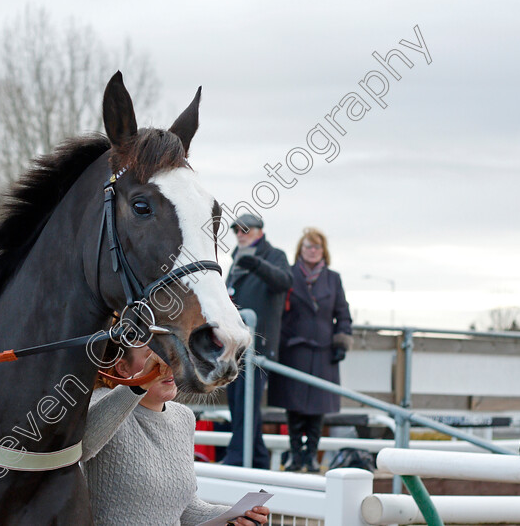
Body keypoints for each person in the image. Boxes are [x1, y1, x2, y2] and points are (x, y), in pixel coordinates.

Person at [81, 342, 271, 526]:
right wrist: (139, 383)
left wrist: (235, 516)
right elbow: (84, 446)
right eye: (152, 356)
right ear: (122, 368)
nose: (166, 363)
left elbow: (184, 508)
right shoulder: (101, 401)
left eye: (170, 353)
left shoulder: (183, 417)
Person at [268, 228, 353, 472]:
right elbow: (278, 312)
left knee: (318, 409)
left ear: (323, 250)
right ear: (300, 250)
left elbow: (343, 314)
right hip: (294, 350)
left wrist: (341, 342)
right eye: (308, 247)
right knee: (294, 407)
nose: (312, 251)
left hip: (324, 353)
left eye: (316, 247)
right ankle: (296, 456)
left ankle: (311, 457)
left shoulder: (333, 279)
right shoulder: (289, 275)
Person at [223, 214, 292, 469]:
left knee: (246, 403)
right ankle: (258, 458)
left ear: (259, 231)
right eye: (236, 230)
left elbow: (284, 281)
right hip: (235, 345)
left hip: (258, 345)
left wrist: (254, 264)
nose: (240, 234)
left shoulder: (274, 255)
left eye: (245, 229)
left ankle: (238, 456)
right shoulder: (236, 261)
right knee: (237, 402)